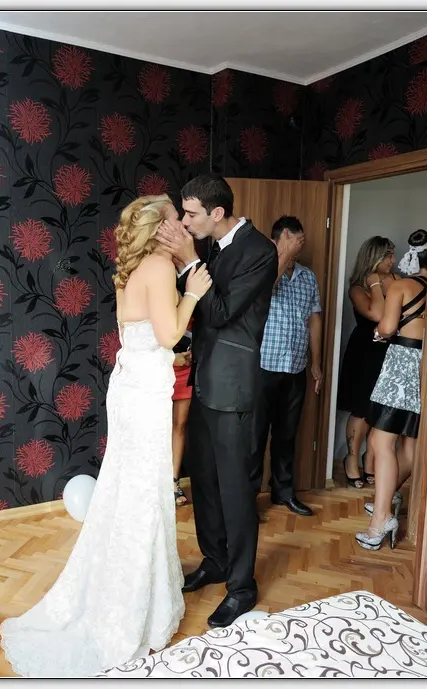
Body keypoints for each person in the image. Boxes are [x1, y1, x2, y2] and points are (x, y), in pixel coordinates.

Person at [0, 195, 213, 677]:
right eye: (175, 219)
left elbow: (143, 334)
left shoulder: (131, 268)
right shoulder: (159, 267)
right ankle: (131, 606)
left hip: (130, 385)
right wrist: (194, 291)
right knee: (143, 493)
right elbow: (169, 337)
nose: (182, 226)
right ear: (158, 228)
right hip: (144, 392)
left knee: (127, 489)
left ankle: (128, 590)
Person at [155, 174, 278, 628]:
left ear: (218, 212)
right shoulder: (212, 247)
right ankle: (216, 561)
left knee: (235, 490)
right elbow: (202, 313)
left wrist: (188, 261)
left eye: (191, 214)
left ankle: (242, 587)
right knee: (204, 482)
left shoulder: (260, 251)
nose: (185, 222)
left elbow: (223, 314)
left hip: (234, 389)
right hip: (203, 381)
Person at [356, 230, 427, 551]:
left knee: (380, 441)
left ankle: (381, 519)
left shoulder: (402, 286)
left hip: (402, 364)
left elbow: (386, 327)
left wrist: (381, 332)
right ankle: (387, 501)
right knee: (410, 445)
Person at [252, 215, 321, 517]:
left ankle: (283, 492)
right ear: (277, 240)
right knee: (254, 436)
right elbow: (263, 291)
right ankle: (249, 498)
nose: (298, 247)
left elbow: (314, 319)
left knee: (287, 435)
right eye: (293, 240)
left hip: (295, 367)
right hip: (263, 366)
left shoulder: (308, 277)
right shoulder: (263, 269)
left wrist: (316, 363)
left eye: (300, 242)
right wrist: (283, 256)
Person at [336, 237, 398, 488]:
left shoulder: (396, 281)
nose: (393, 260)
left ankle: (369, 458)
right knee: (361, 408)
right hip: (365, 352)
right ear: (375, 257)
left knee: (380, 409)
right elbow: (377, 314)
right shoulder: (358, 288)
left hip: (390, 351)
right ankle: (351, 459)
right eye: (388, 255)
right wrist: (375, 284)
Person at [172, 318, 194, 507]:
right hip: (159, 370)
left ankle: (174, 482)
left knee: (179, 426)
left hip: (186, 371)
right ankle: (154, 482)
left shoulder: (194, 307)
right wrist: (172, 358)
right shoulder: (156, 304)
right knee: (155, 428)